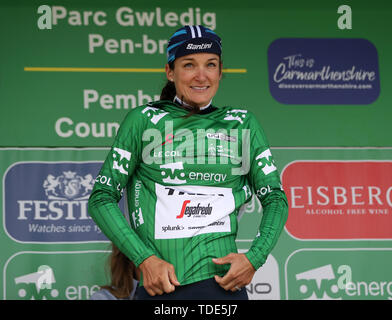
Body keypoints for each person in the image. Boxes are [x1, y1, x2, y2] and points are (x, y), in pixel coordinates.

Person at [88, 25, 288, 300]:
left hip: (222, 290)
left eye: (211, 65)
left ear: (220, 72)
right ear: (170, 72)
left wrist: (255, 258)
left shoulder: (243, 124)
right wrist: (144, 259)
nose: (201, 75)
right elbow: (101, 198)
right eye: (189, 65)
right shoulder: (143, 120)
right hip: (160, 289)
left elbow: (275, 197)